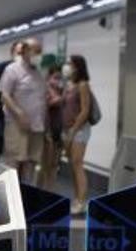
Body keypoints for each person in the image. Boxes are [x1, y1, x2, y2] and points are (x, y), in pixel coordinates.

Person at [0, 37, 47, 182]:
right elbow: (5, 95)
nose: (39, 55)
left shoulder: (38, 72)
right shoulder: (12, 70)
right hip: (17, 125)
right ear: (25, 50)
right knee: (14, 161)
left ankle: (27, 194)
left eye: (40, 52)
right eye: (36, 51)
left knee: (31, 161)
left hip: (37, 126)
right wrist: (19, 114)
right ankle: (12, 196)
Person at [62, 54, 94, 215]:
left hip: (79, 129)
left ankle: (82, 201)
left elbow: (85, 110)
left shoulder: (83, 85)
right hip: (69, 129)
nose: (66, 66)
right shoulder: (69, 84)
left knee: (77, 163)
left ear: (77, 67)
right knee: (72, 165)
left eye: (70, 63)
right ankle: (76, 198)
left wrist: (73, 130)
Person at [0, 41, 19, 160]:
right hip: (1, 112)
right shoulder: (3, 67)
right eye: (18, 52)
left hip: (18, 115)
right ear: (12, 53)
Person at [38, 65, 65, 190]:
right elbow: (42, 106)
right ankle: (40, 190)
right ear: (49, 77)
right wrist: (56, 100)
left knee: (54, 165)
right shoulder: (44, 89)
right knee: (45, 165)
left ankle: (50, 190)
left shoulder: (61, 91)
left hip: (58, 132)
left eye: (59, 78)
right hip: (47, 132)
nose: (57, 81)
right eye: (55, 77)